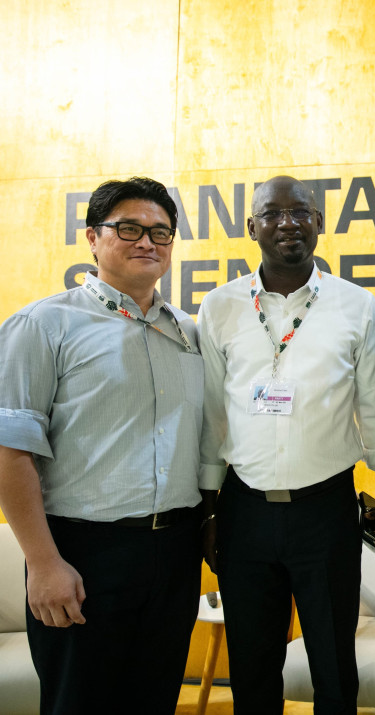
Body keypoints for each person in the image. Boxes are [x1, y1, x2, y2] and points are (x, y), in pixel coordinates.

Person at [197, 175, 375, 714]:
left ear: (319, 222)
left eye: (301, 212)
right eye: (273, 213)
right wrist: (211, 511)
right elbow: (213, 417)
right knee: (252, 666)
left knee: (334, 666)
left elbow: (374, 406)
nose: (288, 223)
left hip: (326, 513)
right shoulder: (219, 308)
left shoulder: (355, 305)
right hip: (245, 513)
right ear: (251, 227)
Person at [0, 177, 204, 714]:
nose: (147, 242)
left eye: (161, 232)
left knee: (155, 702)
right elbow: (10, 453)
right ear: (93, 237)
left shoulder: (188, 331)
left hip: (173, 554)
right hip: (83, 556)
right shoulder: (45, 324)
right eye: (129, 228)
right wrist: (43, 564)